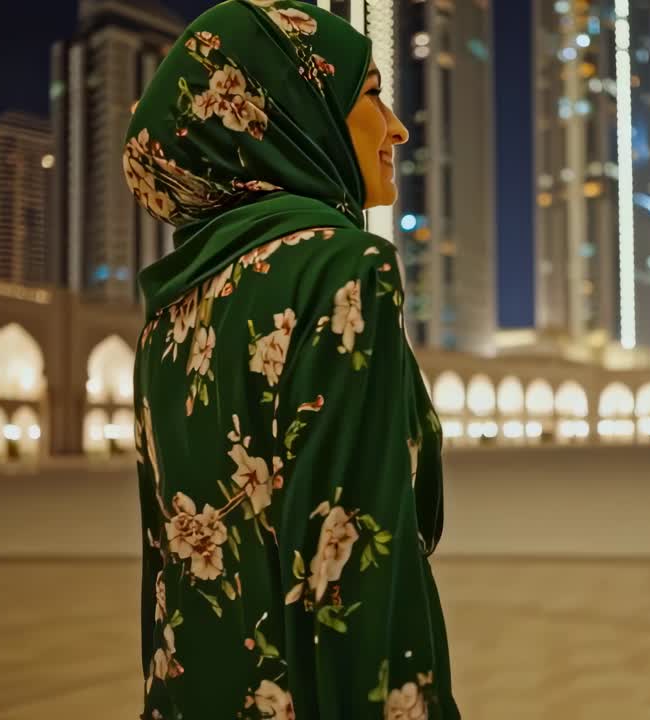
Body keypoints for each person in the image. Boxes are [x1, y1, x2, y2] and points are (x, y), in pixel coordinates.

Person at [126, 2, 457, 717]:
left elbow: (167, 577)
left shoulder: (173, 308)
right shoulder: (340, 270)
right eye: (369, 94)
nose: (396, 126)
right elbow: (349, 572)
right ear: (295, 112)